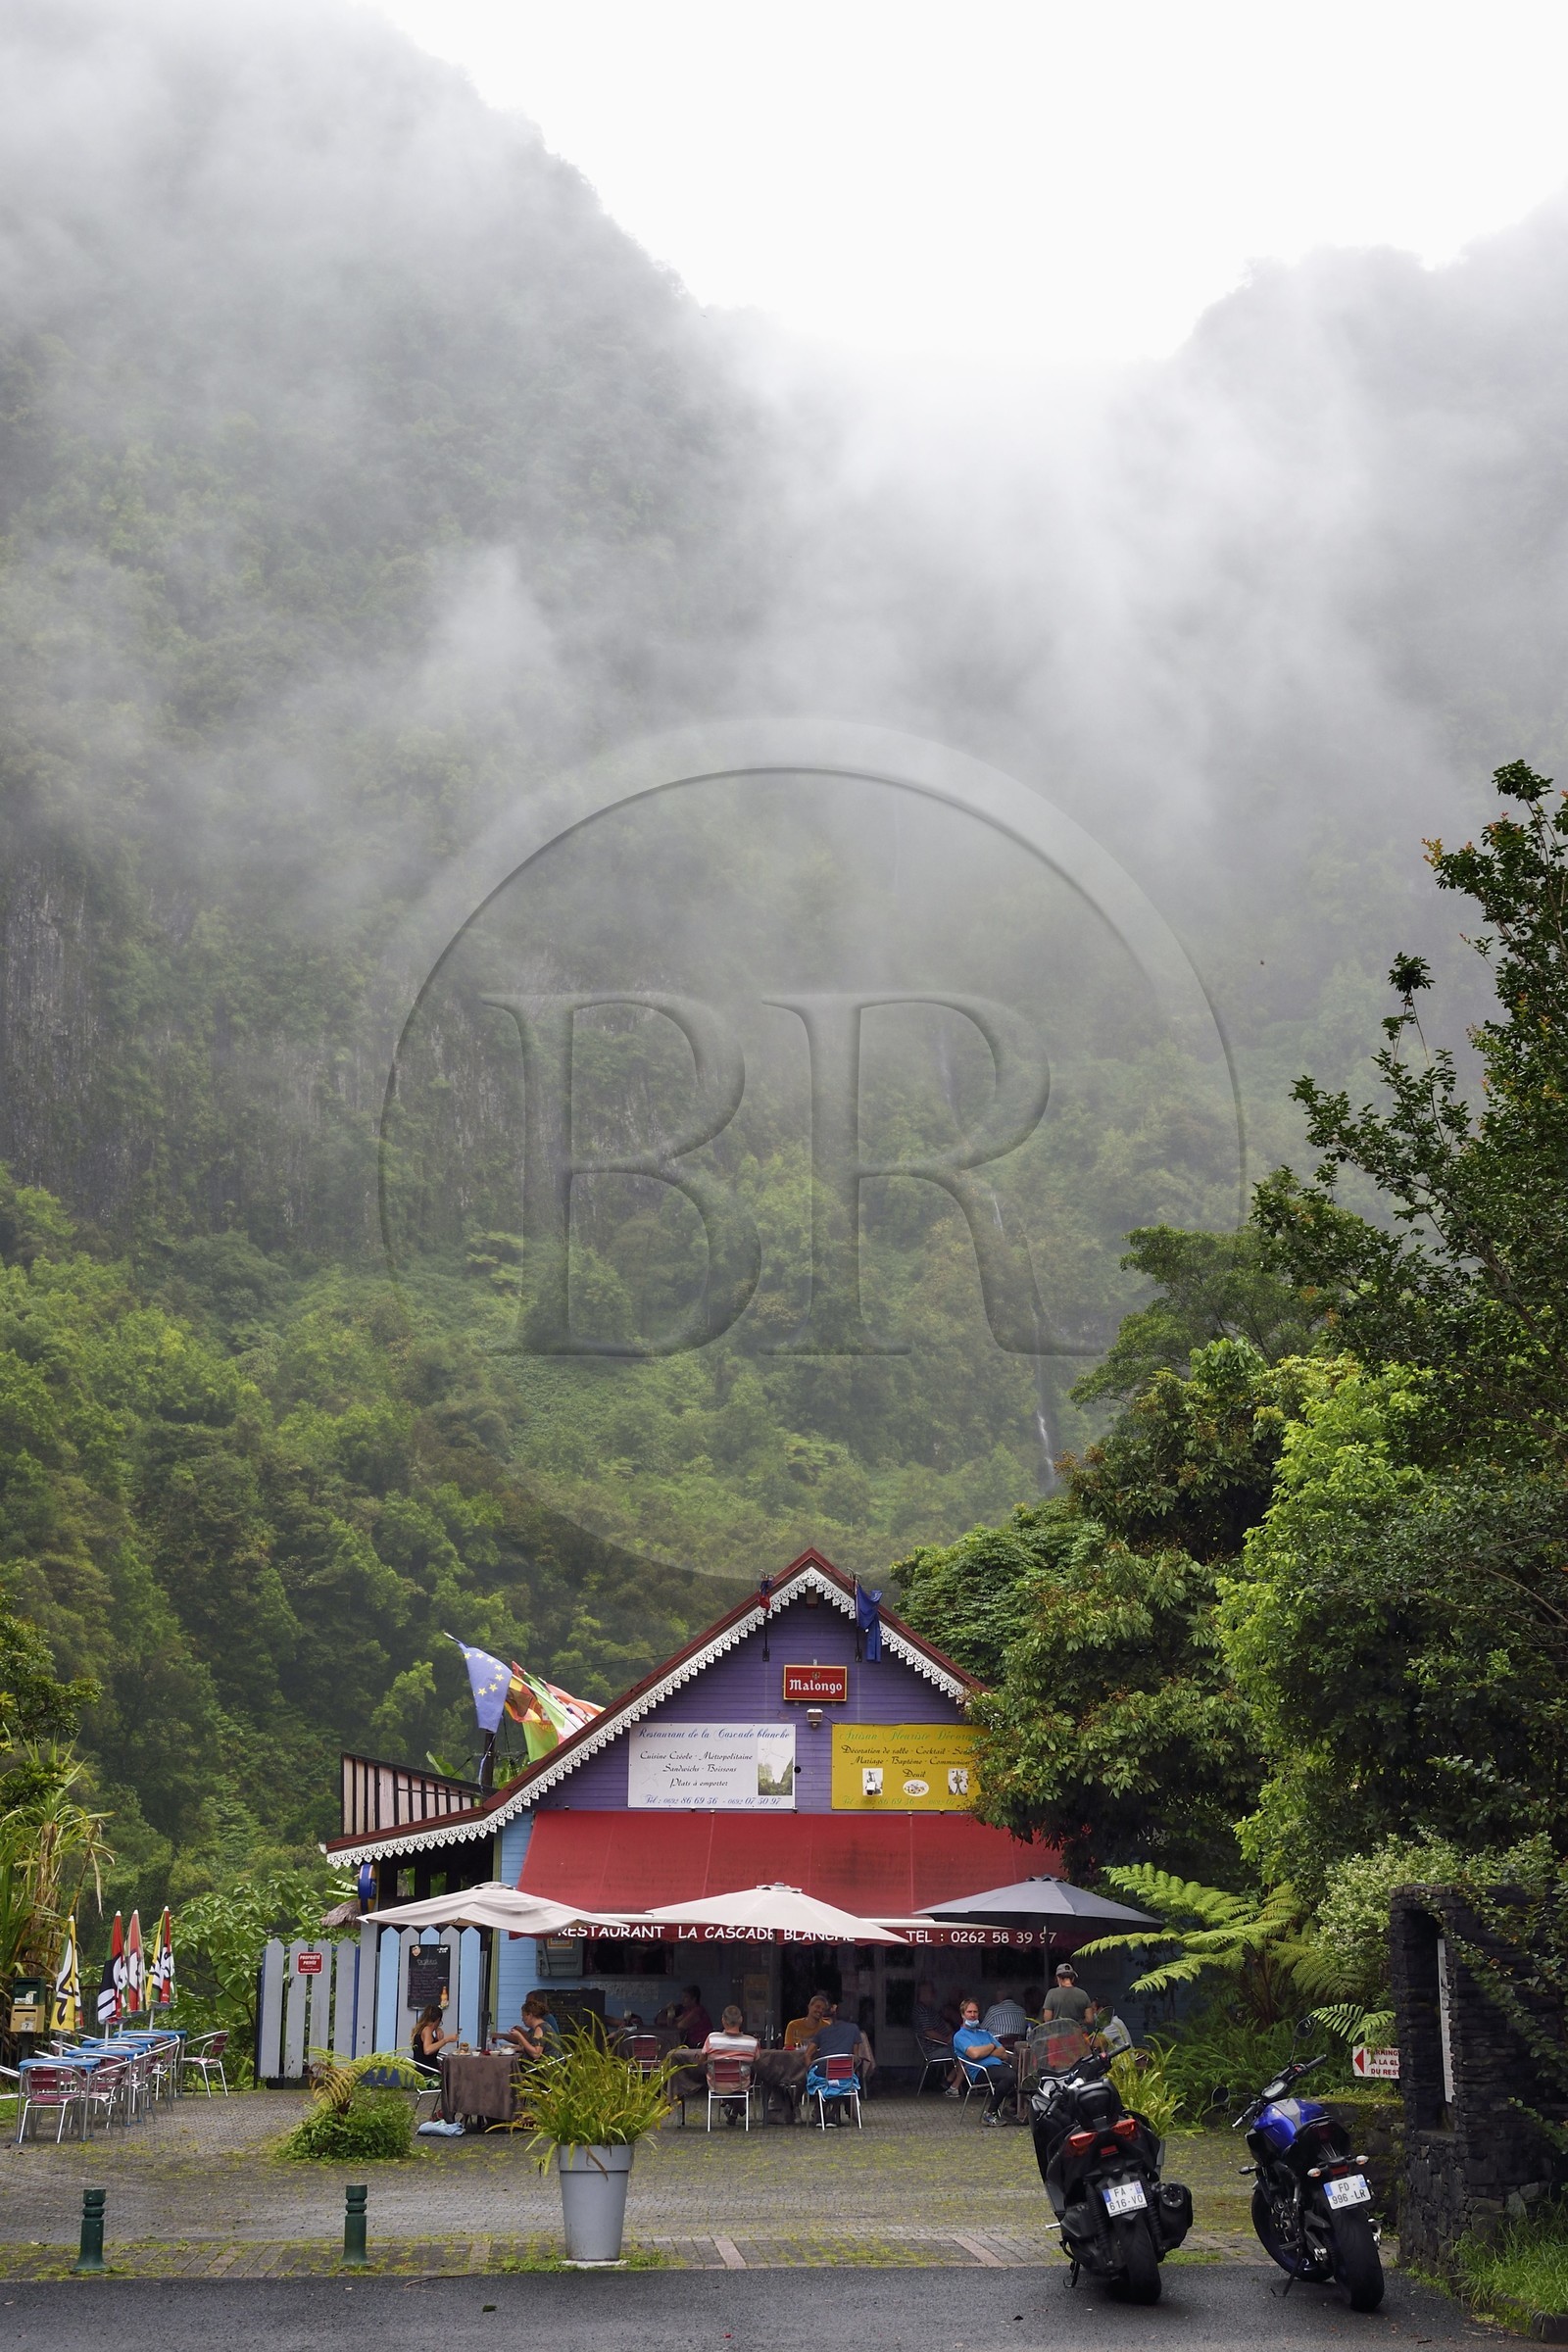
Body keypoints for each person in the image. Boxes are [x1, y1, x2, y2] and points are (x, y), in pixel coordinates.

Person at [803, 1998, 874, 2123]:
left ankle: (821, 2112)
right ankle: (833, 2112)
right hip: (843, 2073)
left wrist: (810, 2069)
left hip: (824, 2074)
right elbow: (855, 2057)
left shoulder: (823, 2031)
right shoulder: (854, 2029)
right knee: (843, 2081)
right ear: (851, 2016)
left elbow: (807, 2054)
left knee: (826, 2081)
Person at [953, 1997, 1018, 2125]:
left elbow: (1003, 2054)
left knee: (1023, 2076)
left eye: (975, 2012)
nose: (972, 2015)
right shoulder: (960, 2036)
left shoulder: (985, 2033)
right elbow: (974, 2054)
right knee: (1010, 2076)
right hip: (979, 2071)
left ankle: (1015, 2109)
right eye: (969, 2012)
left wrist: (984, 2052)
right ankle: (990, 2113)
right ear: (962, 2015)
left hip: (998, 2066)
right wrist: (991, 2047)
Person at [503, 1989, 554, 2061]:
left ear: (530, 2015)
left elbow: (536, 2054)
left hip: (542, 2068)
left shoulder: (540, 2028)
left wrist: (519, 2036)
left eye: (523, 2016)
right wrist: (521, 2048)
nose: (522, 2020)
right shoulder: (545, 2025)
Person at [1041, 1963, 1097, 2027]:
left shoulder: (1051, 1993)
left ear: (1058, 1978)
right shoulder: (1083, 1994)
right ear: (1073, 1978)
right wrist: (1078, 2022)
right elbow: (1090, 2020)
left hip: (1059, 2034)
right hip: (1078, 2033)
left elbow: (1047, 2019)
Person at [411, 2002, 456, 2068]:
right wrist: (446, 2040)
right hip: (427, 2071)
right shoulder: (427, 2030)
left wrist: (438, 2039)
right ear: (437, 2020)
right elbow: (427, 2050)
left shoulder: (421, 2029)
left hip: (423, 2067)